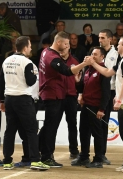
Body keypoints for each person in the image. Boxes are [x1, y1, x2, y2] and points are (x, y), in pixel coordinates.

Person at [86, 36, 123, 173]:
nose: (117, 46)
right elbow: (107, 72)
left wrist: (119, 99)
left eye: (119, 44)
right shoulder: (122, 60)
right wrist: (93, 64)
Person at [0, 36, 50, 171]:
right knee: (31, 130)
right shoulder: (27, 63)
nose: (31, 49)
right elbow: (30, 82)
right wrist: (36, 75)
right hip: (23, 99)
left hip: (9, 99)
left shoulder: (6, 61)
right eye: (30, 47)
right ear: (25, 47)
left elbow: (1, 83)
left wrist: (2, 100)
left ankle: (7, 161)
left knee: (10, 130)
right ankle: (35, 161)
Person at [38, 31, 89, 167]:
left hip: (53, 94)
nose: (68, 46)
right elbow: (66, 71)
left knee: (49, 126)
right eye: (66, 43)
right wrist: (84, 64)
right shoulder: (52, 56)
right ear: (59, 42)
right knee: (51, 127)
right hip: (53, 95)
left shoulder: (45, 52)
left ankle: (40, 151)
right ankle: (46, 156)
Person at [72, 46, 111, 168]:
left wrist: (101, 109)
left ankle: (98, 159)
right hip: (86, 105)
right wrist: (77, 81)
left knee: (97, 133)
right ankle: (84, 156)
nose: (92, 56)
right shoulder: (88, 70)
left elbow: (106, 92)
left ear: (102, 57)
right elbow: (82, 87)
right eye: (92, 54)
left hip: (96, 106)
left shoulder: (103, 71)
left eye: (95, 54)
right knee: (83, 131)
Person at [98, 29, 119, 165]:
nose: (100, 40)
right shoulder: (96, 52)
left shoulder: (116, 55)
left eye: (103, 38)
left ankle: (101, 154)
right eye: (99, 38)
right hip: (95, 90)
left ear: (110, 39)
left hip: (109, 90)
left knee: (104, 123)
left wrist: (117, 94)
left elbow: (116, 75)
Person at [60, 45, 80, 159]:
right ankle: (46, 150)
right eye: (61, 49)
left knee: (72, 124)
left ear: (68, 48)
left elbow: (79, 80)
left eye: (64, 49)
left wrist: (77, 84)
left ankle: (74, 150)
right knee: (53, 124)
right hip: (58, 96)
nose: (62, 51)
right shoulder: (55, 59)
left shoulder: (75, 61)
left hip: (71, 96)